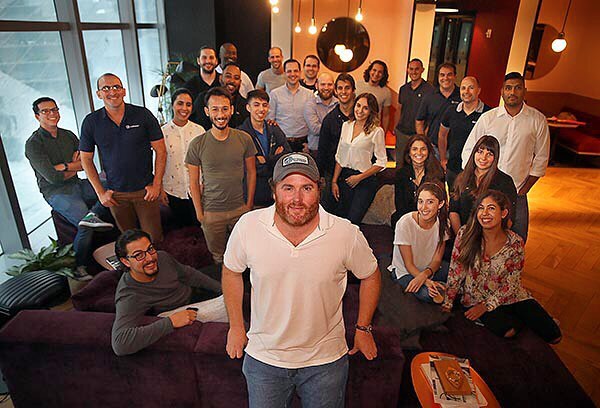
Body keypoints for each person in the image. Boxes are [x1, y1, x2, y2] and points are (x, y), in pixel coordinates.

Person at [222, 152, 381, 408]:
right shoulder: (248, 227)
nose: (297, 199)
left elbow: (371, 274)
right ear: (274, 191)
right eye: (288, 188)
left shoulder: (345, 233)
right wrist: (236, 326)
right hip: (264, 358)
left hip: (326, 361)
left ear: (319, 190)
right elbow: (231, 271)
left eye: (306, 188)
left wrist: (363, 328)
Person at [442, 191, 561, 344]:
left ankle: (521, 315)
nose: (485, 213)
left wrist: (487, 306)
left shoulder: (515, 243)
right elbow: (456, 270)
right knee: (509, 331)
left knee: (555, 336)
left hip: (510, 295)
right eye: (481, 208)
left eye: (491, 208)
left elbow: (512, 283)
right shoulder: (465, 234)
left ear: (504, 213)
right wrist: (448, 303)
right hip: (476, 297)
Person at [25, 97, 113, 278]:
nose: (52, 114)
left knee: (112, 186)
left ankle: (94, 215)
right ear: (37, 116)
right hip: (57, 192)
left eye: (54, 109)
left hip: (77, 184)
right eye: (45, 111)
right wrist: (73, 166)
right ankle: (79, 267)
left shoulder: (68, 135)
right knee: (86, 225)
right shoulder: (33, 144)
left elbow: (85, 164)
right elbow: (53, 178)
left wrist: (64, 166)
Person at [462, 72, 550, 243]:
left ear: (524, 91)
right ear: (502, 91)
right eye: (508, 88)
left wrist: (524, 189)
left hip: (517, 190)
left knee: (517, 239)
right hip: (485, 191)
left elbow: (541, 158)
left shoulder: (537, 120)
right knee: (478, 238)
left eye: (517, 88)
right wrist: (476, 181)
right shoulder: (488, 118)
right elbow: (469, 151)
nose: (512, 92)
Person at [111, 229, 228, 356]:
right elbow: (120, 344)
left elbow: (189, 274)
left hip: (193, 292)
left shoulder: (162, 257)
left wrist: (222, 288)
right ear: (126, 261)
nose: (150, 258)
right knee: (234, 302)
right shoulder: (129, 295)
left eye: (150, 249)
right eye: (139, 255)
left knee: (232, 273)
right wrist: (170, 322)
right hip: (182, 311)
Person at [80, 73, 166, 242]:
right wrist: (101, 193)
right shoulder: (91, 122)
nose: (112, 92)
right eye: (106, 88)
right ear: (99, 94)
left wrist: (156, 185)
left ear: (124, 91)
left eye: (116, 87)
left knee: (154, 239)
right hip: (116, 194)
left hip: (145, 191)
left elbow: (161, 151)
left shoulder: (142, 114)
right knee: (129, 242)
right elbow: (86, 160)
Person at [185, 87, 257, 265]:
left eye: (225, 109)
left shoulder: (244, 139)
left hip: (240, 209)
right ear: (206, 111)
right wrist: (200, 215)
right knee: (218, 257)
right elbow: (193, 182)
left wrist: (248, 205)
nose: (220, 114)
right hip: (211, 213)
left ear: (231, 110)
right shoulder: (197, 144)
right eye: (215, 109)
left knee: (243, 254)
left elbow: (251, 172)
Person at [388, 182, 449, 303]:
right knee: (428, 294)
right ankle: (438, 286)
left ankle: (439, 285)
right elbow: (408, 264)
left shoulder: (444, 223)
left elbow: (437, 260)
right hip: (406, 271)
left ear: (440, 204)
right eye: (420, 201)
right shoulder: (405, 223)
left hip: (429, 269)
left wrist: (425, 275)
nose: (423, 207)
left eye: (430, 202)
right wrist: (425, 281)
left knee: (457, 274)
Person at [332, 93, 387, 225]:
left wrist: (359, 177)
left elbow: (382, 162)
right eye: (358, 105)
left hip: (364, 180)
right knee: (340, 220)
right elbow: (340, 156)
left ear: (371, 111)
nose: (360, 110)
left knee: (353, 221)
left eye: (365, 108)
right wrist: (334, 181)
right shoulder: (346, 125)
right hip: (345, 177)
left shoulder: (376, 131)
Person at [450, 135, 517, 234]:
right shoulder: (462, 177)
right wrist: (460, 237)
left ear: (495, 158)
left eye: (489, 154)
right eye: (480, 152)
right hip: (462, 234)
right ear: (474, 153)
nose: (483, 158)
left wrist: (490, 239)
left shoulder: (505, 181)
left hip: (491, 236)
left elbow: (509, 218)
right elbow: (453, 211)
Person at [238, 89, 291, 207]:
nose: (261, 109)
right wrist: (274, 159)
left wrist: (265, 160)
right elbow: (246, 167)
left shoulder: (274, 129)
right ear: (248, 107)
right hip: (253, 195)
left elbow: (287, 155)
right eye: (256, 105)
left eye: (265, 105)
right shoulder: (240, 134)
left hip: (275, 194)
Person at [161, 88, 205, 227]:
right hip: (172, 191)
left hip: (198, 190)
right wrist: (160, 189)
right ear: (172, 105)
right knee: (178, 233)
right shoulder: (162, 132)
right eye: (180, 103)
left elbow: (205, 161)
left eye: (188, 104)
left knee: (199, 230)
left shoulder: (199, 131)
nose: (184, 108)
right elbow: (157, 162)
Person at [438, 76, 490, 189]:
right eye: (463, 88)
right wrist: (443, 159)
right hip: (453, 168)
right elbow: (442, 135)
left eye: (471, 88)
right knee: (453, 197)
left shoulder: (488, 114)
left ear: (478, 90)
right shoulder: (451, 110)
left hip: (476, 171)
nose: (466, 91)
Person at [317, 73, 356, 212]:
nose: (343, 92)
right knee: (329, 211)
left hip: (355, 174)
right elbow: (322, 150)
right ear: (335, 91)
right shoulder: (329, 120)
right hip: (332, 173)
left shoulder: (361, 116)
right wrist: (319, 176)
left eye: (347, 88)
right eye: (340, 88)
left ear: (353, 90)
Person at [392, 135, 444, 227]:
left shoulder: (437, 173)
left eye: (423, 149)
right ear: (409, 152)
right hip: (406, 219)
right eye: (414, 149)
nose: (419, 153)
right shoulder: (401, 174)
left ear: (428, 152)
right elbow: (399, 205)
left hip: (430, 219)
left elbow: (438, 205)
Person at [394, 58, 434, 166]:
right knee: (400, 163)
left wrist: (425, 134)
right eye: (411, 69)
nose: (414, 72)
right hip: (402, 132)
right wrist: (395, 128)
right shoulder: (403, 89)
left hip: (418, 134)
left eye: (417, 69)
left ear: (422, 70)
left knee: (417, 164)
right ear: (407, 70)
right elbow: (399, 109)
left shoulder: (429, 90)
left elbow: (431, 115)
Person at [268, 59, 314, 152]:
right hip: (282, 144)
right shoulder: (275, 94)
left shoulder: (309, 94)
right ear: (284, 73)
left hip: (303, 144)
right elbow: (270, 121)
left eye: (295, 71)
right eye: (289, 71)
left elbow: (312, 123)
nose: (292, 74)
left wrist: (310, 144)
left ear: (300, 72)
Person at [415, 63, 461, 157]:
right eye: (442, 75)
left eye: (449, 74)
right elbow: (419, 121)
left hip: (455, 150)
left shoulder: (462, 96)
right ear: (438, 77)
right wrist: (424, 142)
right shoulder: (429, 96)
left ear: (455, 76)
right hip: (433, 148)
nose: (445, 78)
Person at [191, 62, 249, 130]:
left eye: (236, 78)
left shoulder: (244, 106)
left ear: (240, 82)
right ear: (220, 78)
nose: (232, 81)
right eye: (228, 76)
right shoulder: (203, 99)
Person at [303, 72, 338, 157]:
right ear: (316, 86)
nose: (326, 88)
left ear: (334, 86)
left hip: (336, 152)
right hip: (316, 152)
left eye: (329, 84)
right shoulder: (310, 105)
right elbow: (315, 129)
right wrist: (336, 128)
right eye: (323, 84)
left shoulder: (339, 104)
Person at [356, 60, 392, 131]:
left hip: (373, 128)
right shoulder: (358, 85)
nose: (376, 74)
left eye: (380, 72)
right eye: (374, 70)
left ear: (383, 75)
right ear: (369, 71)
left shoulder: (386, 92)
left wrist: (384, 133)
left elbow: (386, 116)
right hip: (357, 125)